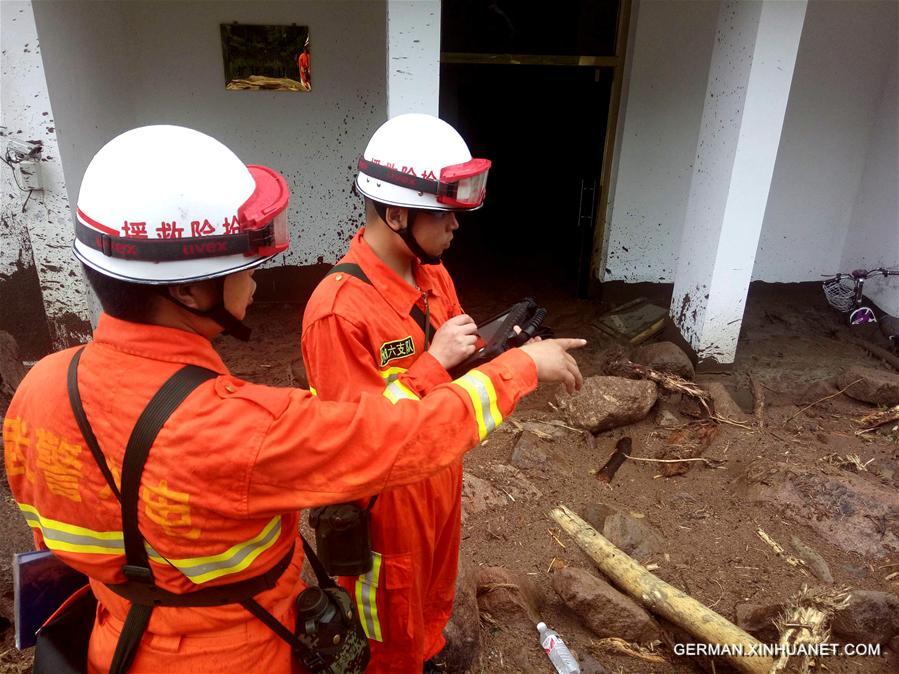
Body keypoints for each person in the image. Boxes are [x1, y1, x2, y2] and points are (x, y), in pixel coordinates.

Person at [3, 124, 584, 674]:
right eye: (244, 266)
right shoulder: (240, 425)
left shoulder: (38, 391)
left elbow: (55, 544)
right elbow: (389, 441)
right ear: (186, 289)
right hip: (238, 654)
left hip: (119, 640)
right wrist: (520, 367)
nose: (258, 282)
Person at [301, 113, 547, 673]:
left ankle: (429, 654)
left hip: (439, 472)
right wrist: (434, 362)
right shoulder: (338, 311)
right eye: (446, 215)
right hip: (384, 505)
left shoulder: (431, 273)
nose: (457, 227)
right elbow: (358, 442)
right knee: (388, 624)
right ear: (396, 214)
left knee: (432, 596)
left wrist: (495, 348)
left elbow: (461, 355)